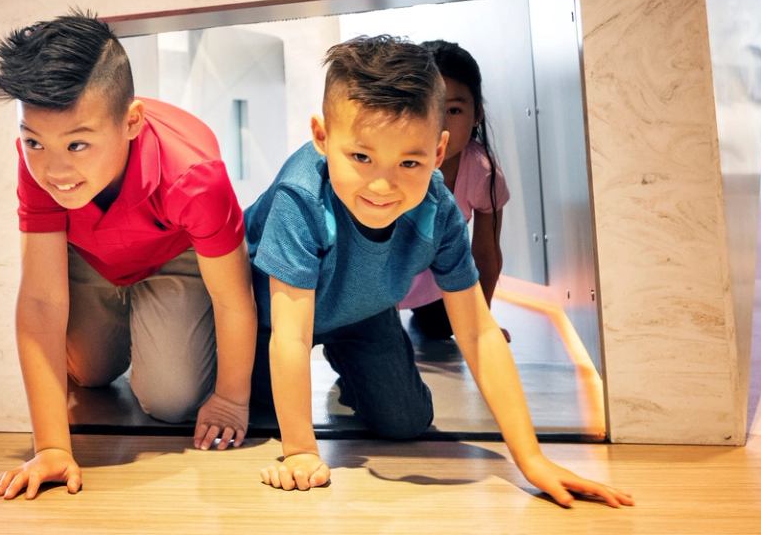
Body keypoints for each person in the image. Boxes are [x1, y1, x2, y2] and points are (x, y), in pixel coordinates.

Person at [246, 35, 631, 508]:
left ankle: (354, 367)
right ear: (323, 137)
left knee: (406, 422)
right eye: (361, 157)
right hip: (268, 319)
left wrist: (530, 458)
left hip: (364, 312)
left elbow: (478, 333)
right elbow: (289, 337)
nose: (383, 185)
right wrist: (301, 451)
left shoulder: (436, 207)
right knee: (255, 412)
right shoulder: (300, 198)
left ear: (438, 148)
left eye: (410, 161)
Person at [0, 14, 257, 502]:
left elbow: (233, 296)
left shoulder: (196, 176)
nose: (55, 167)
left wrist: (232, 399)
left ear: (131, 121)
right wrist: (51, 447)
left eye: (78, 144)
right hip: (91, 259)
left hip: (173, 256)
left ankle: (156, 331)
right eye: (34, 143)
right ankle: (123, 330)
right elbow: (43, 302)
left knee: (172, 400)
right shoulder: (44, 167)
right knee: (88, 373)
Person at [400, 39, 509, 342]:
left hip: (435, 283)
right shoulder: (391, 164)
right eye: (426, 107)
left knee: (444, 327)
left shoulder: (482, 173)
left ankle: (425, 311)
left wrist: (481, 323)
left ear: (477, 114)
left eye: (455, 110)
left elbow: (486, 254)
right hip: (377, 282)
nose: (439, 124)